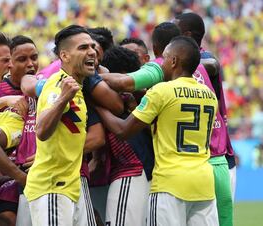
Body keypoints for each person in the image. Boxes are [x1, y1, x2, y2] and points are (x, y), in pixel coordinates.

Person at [96, 36, 219, 226]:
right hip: (204, 183)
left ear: (174, 61)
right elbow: (170, 119)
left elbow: (122, 131)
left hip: (170, 183)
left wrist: (98, 105)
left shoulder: (161, 91)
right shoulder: (210, 95)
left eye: (164, 58)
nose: (160, 64)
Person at [24, 24, 96, 226]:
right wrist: (63, 99)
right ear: (64, 56)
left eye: (92, 46)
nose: (91, 51)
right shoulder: (57, 83)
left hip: (68, 186)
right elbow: (42, 130)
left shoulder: (75, 88)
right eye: (83, 48)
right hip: (52, 185)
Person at [174, 12, 234, 226]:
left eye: (175, 27)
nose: (171, 32)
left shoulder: (205, 60)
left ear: (187, 34)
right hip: (197, 157)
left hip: (215, 154)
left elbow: (211, 64)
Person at [0, 35, 39, 226]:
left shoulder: (42, 89)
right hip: (6, 175)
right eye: (22, 59)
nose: (31, 64)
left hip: (36, 172)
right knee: (5, 221)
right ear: (9, 64)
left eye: (34, 57)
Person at [100, 46, 151, 226]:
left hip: (131, 173)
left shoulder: (125, 101)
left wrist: (98, 106)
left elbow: (121, 131)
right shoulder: (140, 101)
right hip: (138, 174)